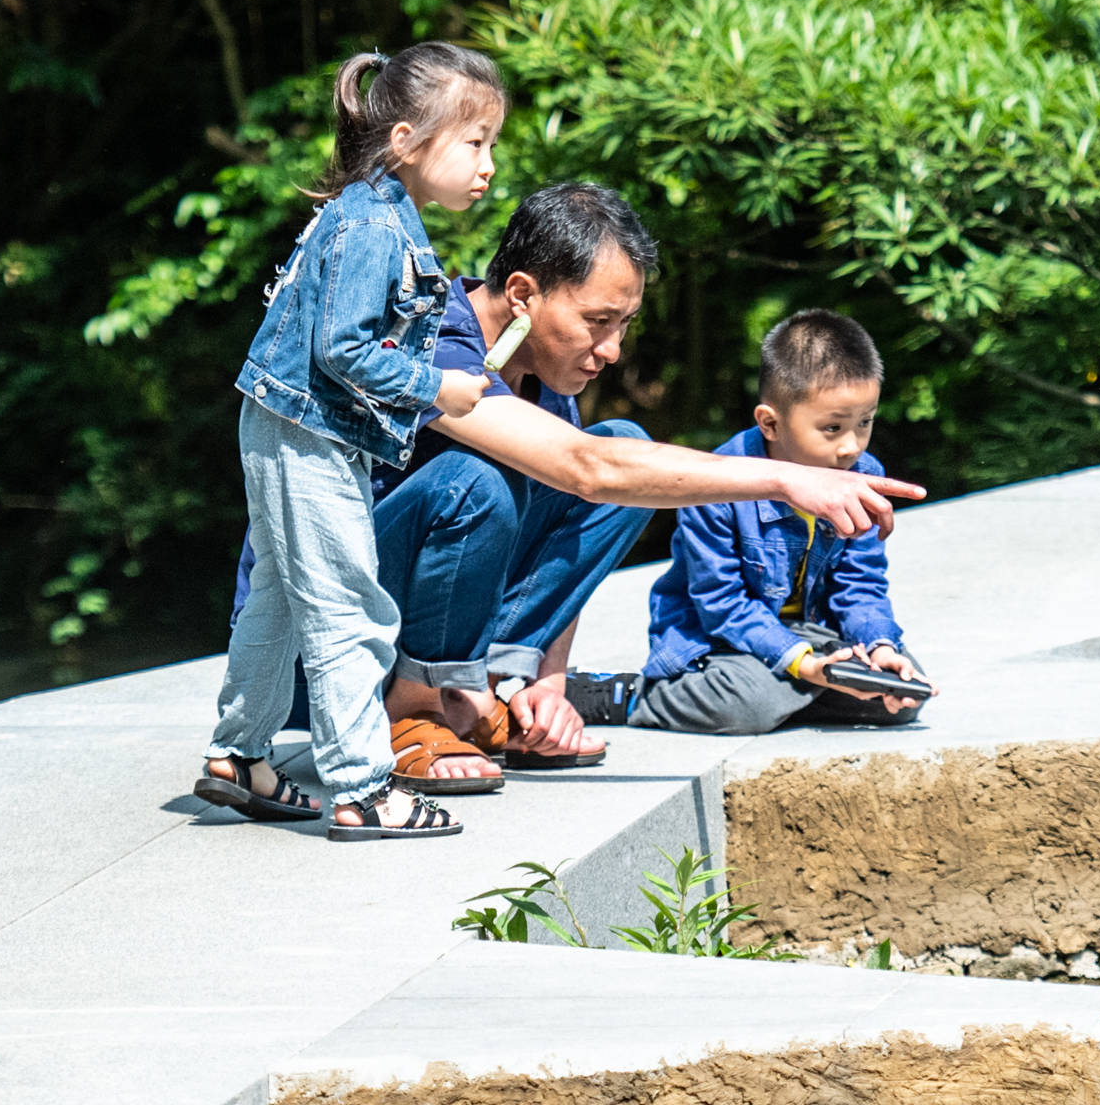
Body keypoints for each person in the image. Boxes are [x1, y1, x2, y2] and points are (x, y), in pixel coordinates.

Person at [230, 185, 929, 790]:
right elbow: (583, 470)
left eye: (624, 325)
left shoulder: (544, 375)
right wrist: (783, 477)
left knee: (623, 444)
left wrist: (549, 685)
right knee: (481, 478)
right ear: (524, 294)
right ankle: (412, 713)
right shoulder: (430, 339)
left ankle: (487, 693)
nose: (614, 349)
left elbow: (590, 485)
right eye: (598, 322)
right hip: (308, 660)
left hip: (411, 635)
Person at [195, 42, 499, 841]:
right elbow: (344, 348)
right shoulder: (371, 224)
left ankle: (240, 756)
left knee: (283, 597)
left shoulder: (373, 210)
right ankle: (364, 788)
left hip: (285, 421)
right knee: (349, 605)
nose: (488, 163)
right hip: (307, 430)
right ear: (405, 139)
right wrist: (438, 387)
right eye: (475, 142)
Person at [563, 310, 932, 736]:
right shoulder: (720, 485)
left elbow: (860, 584)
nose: (851, 445)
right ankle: (630, 695)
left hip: (809, 633)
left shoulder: (861, 477)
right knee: (749, 706)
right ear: (770, 423)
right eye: (832, 428)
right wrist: (802, 662)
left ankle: (783, 696)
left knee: (901, 695)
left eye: (864, 422)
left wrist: (879, 646)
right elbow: (720, 603)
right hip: (718, 639)